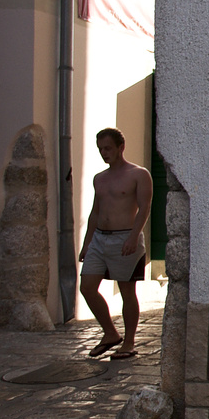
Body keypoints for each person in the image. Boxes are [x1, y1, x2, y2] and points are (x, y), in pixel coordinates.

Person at [79, 127, 153, 359]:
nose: (104, 153)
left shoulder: (139, 174)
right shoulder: (99, 178)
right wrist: (86, 242)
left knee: (126, 291)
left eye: (108, 148)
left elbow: (144, 208)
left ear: (121, 147)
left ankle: (129, 342)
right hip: (100, 238)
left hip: (125, 238)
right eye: (101, 149)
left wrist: (133, 236)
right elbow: (95, 212)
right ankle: (110, 333)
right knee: (87, 287)